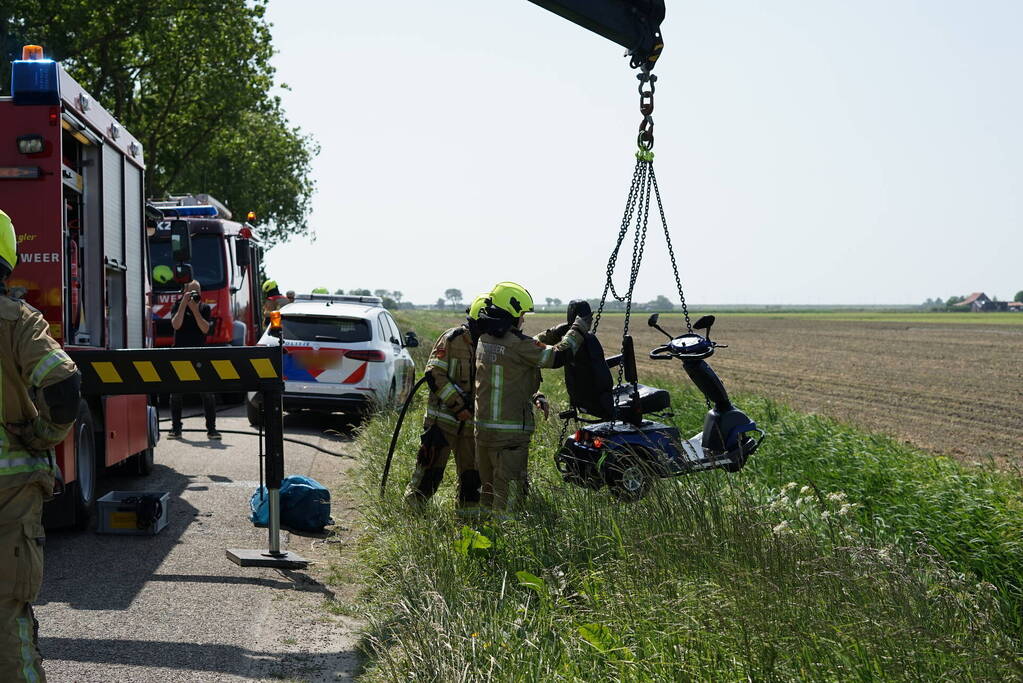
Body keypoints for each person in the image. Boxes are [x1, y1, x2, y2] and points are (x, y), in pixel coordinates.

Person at [0, 208, 80, 681]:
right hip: (9, 489)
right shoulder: (18, 322)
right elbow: (64, 387)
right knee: (7, 613)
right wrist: (43, 435)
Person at [473, 282, 590, 514]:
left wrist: (556, 331)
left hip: (483, 433)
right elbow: (557, 356)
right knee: (509, 498)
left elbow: (524, 345)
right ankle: (506, 534)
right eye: (522, 315)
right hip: (509, 437)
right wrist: (579, 327)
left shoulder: (485, 340)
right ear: (512, 314)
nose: (523, 320)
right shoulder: (517, 345)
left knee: (488, 492)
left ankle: (484, 531)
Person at [404, 294, 488, 513]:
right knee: (428, 474)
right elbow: (434, 374)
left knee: (472, 479)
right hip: (441, 424)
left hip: (471, 427)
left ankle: (468, 521)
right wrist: (459, 406)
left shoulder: (490, 346)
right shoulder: (452, 339)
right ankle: (412, 516)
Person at [167, 280, 220, 440]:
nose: (195, 294)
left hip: (199, 354)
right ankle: (176, 428)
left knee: (207, 393)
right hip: (180, 354)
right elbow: (176, 325)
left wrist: (195, 310)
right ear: (185, 292)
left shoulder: (204, 308)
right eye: (192, 291)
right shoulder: (177, 306)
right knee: (176, 394)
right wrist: (184, 304)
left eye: (197, 291)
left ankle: (212, 429)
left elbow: (205, 329)